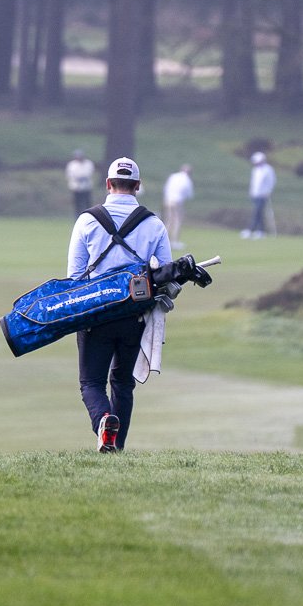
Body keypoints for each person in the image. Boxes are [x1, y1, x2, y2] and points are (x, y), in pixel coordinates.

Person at [68, 156, 172, 452]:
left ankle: (103, 422)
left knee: (91, 383)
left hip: (95, 313)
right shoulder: (154, 224)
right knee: (123, 384)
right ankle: (117, 447)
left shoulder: (87, 220)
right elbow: (165, 272)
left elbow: (74, 276)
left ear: (107, 184)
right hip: (134, 313)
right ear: (137, 186)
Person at [243, 151, 276, 238]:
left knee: (257, 212)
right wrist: (251, 192)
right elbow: (253, 182)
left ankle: (252, 230)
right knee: (259, 213)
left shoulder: (268, 169)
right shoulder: (255, 170)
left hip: (263, 195)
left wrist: (269, 191)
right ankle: (260, 231)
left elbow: (271, 182)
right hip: (255, 194)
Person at [161, 164, 194, 248]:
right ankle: (174, 242)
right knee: (177, 221)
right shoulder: (187, 180)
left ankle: (164, 241)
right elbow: (189, 194)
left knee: (168, 221)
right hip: (177, 202)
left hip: (167, 200)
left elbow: (166, 188)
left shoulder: (173, 176)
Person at [65, 149, 95, 215]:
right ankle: (77, 216)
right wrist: (78, 178)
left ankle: (89, 215)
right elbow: (70, 174)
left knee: (87, 203)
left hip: (86, 187)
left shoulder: (88, 163)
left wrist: (83, 177)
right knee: (77, 204)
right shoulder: (72, 164)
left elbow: (89, 173)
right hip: (76, 187)